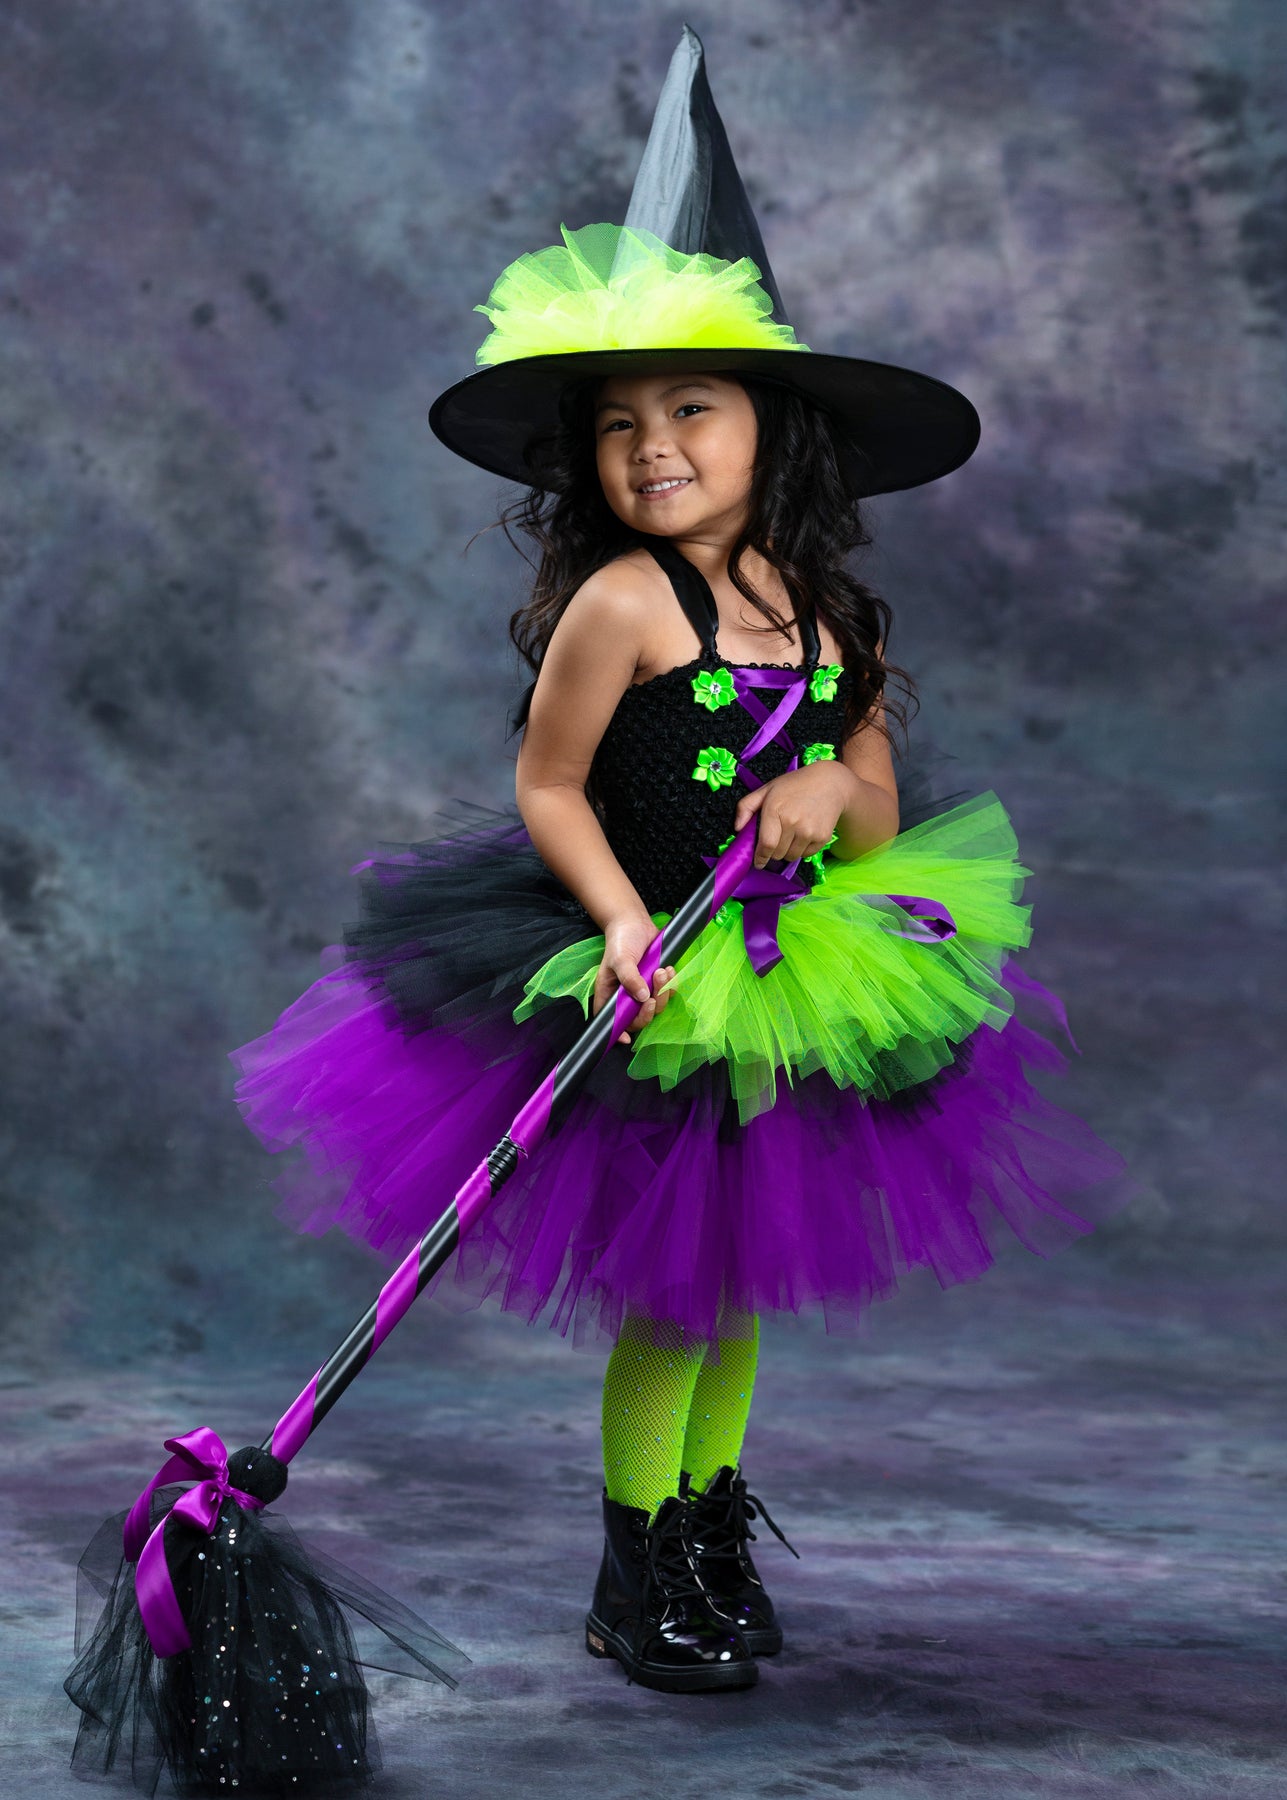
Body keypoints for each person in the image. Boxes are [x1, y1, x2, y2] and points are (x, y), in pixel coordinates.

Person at [230, 29, 1130, 1697]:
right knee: (678, 1289)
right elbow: (548, 781)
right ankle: (635, 1564)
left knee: (742, 1280)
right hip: (654, 974)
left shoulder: (831, 616)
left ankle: (709, 1527)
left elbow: (873, 808)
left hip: (796, 980)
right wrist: (619, 918)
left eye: (691, 408)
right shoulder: (622, 603)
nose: (651, 445)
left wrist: (825, 793)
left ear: (774, 430)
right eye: (618, 422)